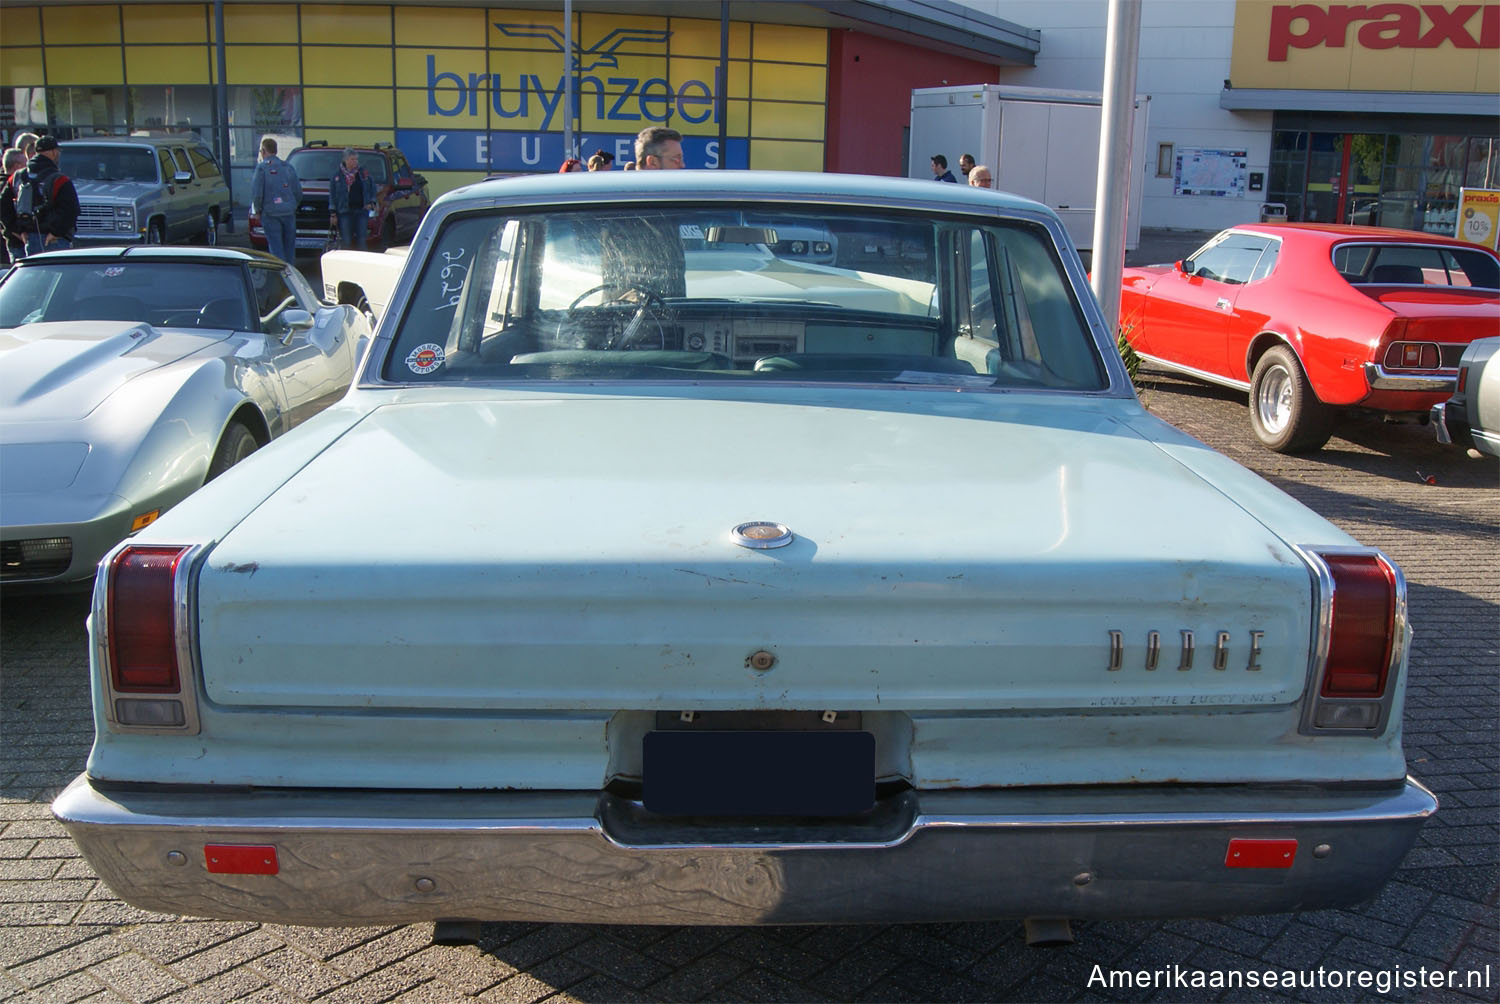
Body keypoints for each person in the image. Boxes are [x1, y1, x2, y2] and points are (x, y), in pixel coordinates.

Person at [16, 136, 79, 255]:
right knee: (60, 272)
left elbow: (5, 205)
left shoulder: (21, 176)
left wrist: (22, 230)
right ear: (53, 152)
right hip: (55, 239)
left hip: (30, 237)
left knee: (35, 273)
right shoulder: (59, 179)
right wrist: (57, 232)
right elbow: (71, 210)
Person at [250, 136, 301, 262]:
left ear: (263, 151)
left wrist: (257, 210)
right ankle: (290, 274)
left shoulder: (262, 168)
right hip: (288, 212)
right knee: (289, 248)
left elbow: (257, 192)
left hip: (270, 213)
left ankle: (280, 276)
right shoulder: (288, 167)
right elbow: (298, 191)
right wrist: (292, 205)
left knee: (276, 247)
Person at [328, 147, 376, 251]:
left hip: (361, 211)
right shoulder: (337, 176)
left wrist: (372, 203)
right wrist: (333, 214)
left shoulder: (363, 174)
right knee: (346, 241)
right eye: (352, 159)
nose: (355, 162)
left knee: (362, 240)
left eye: (356, 159)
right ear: (345, 160)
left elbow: (372, 188)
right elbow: (332, 195)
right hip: (345, 212)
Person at [0, 147, 28, 263]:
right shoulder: (8, 187)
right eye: (25, 163)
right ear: (16, 166)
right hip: (15, 242)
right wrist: (18, 232)